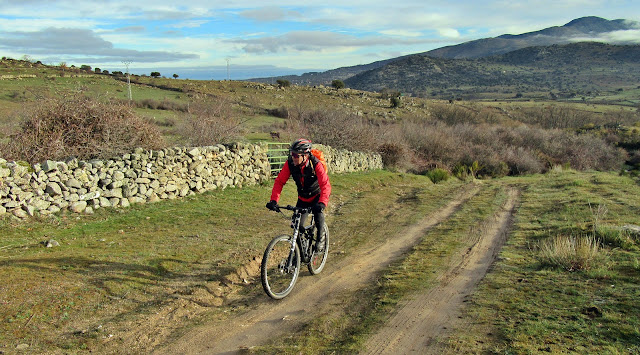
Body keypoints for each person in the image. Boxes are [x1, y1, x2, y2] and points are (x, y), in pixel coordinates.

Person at [266, 138, 331, 252]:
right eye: (292, 154)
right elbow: (280, 181)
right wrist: (274, 201)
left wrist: (322, 203)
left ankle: (320, 240)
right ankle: (299, 255)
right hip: (303, 198)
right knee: (296, 226)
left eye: (296, 155)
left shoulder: (315, 164)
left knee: (318, 214)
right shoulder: (290, 164)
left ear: (305, 155)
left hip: (316, 196)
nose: (293, 157)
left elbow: (325, 184)